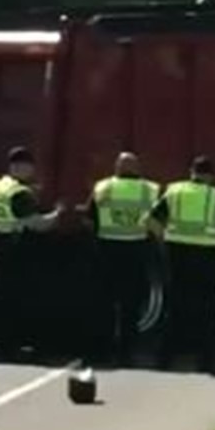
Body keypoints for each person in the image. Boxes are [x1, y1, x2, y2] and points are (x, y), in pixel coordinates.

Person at [147, 155, 215, 375]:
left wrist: (165, 239)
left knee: (176, 308)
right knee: (207, 311)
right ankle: (207, 362)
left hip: (178, 255)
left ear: (192, 172)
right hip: (207, 258)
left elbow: (151, 221)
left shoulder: (174, 192)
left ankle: (164, 358)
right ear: (210, 176)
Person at [84, 152, 160, 367]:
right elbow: (157, 223)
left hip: (107, 252)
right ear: (137, 168)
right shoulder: (149, 190)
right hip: (136, 252)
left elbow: (89, 220)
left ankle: (102, 351)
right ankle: (127, 353)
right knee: (131, 306)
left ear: (117, 167)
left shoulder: (103, 188)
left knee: (104, 305)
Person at [0, 146, 62, 359]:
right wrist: (57, 214)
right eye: (30, 166)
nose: (32, 171)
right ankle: (23, 345)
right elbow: (38, 224)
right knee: (25, 299)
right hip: (18, 249)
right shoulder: (20, 193)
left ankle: (4, 345)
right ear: (22, 167)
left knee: (4, 298)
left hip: (1, 245)